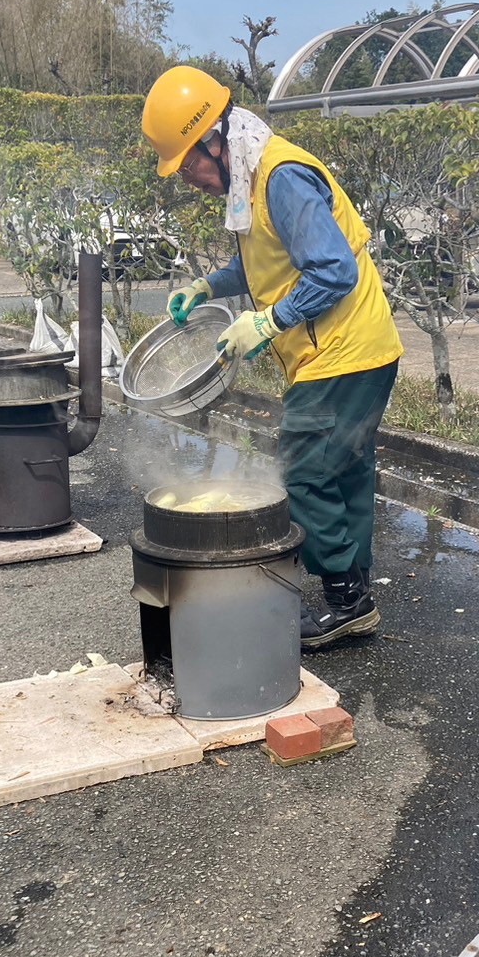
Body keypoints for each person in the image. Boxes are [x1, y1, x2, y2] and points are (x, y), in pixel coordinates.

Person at [141, 66, 404, 650]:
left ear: (215, 139)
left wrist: (268, 321)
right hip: (349, 351)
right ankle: (353, 595)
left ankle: (345, 598)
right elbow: (267, 257)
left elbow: (333, 270)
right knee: (345, 469)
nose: (187, 180)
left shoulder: (280, 176)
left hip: (344, 351)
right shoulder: (249, 180)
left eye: (187, 164)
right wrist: (209, 286)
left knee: (304, 469)